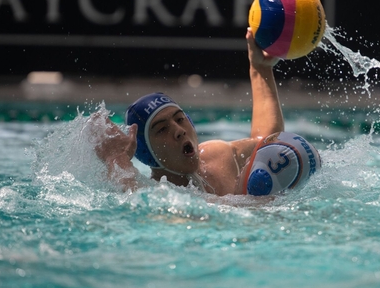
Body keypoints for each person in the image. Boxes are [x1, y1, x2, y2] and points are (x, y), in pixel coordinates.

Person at [91, 28, 321, 196]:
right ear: (146, 154)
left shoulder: (218, 155)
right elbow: (131, 193)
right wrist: (115, 158)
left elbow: (267, 145)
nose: (179, 131)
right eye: (161, 129)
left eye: (180, 119)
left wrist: (260, 69)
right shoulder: (157, 194)